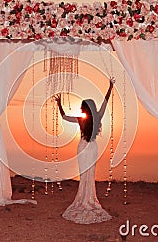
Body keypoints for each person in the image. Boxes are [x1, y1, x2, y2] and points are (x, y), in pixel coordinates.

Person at [54, 77, 115, 224]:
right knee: (90, 173)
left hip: (82, 147)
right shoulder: (98, 116)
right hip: (92, 147)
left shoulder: (81, 119)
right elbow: (105, 102)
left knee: (84, 174)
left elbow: (64, 116)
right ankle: (89, 198)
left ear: (84, 108)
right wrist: (110, 87)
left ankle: (83, 198)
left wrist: (59, 103)